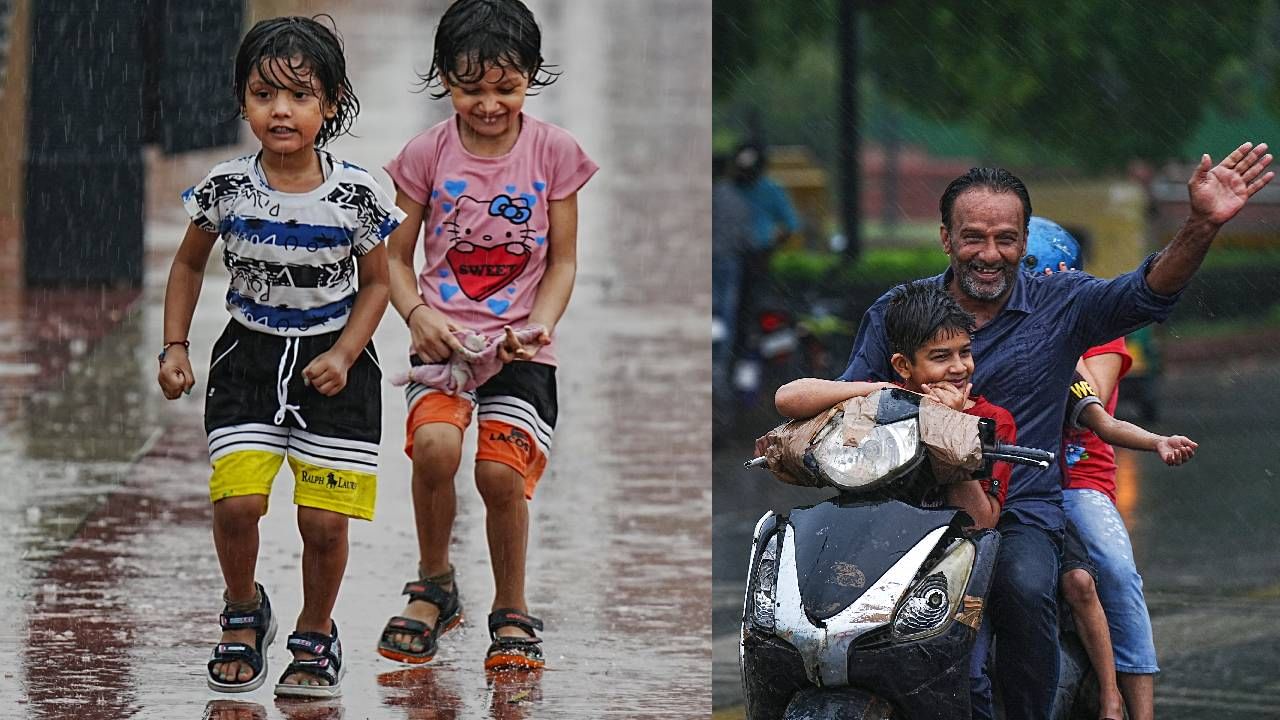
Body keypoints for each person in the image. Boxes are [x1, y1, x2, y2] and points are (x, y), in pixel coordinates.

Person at [835, 147, 1272, 719]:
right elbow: (844, 400)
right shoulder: (901, 309)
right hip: (910, 508)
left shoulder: (1062, 303)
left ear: (1023, 241)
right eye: (973, 238)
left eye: (1005, 239)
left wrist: (1201, 225)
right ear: (945, 238)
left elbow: (1148, 292)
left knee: (1022, 588)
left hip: (1020, 512)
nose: (989, 255)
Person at [157, 16, 403, 697]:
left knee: (323, 522)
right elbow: (186, 266)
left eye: (299, 95)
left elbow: (378, 282)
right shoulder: (227, 187)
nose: (281, 110)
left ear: (330, 104)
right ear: (243, 102)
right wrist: (175, 347)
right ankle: (243, 610)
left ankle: (316, 632)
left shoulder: (357, 193)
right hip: (248, 360)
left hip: (337, 367)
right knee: (237, 503)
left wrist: (348, 351)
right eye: (264, 94)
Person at [376, 0, 598, 672]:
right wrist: (416, 314)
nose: (490, 104)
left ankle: (512, 607)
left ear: (530, 77)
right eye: (472, 89)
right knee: (436, 450)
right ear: (445, 79)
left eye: (506, 88)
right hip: (440, 345)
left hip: (521, 353)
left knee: (501, 473)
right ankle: (434, 584)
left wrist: (539, 325)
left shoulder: (555, 152)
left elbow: (562, 260)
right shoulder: (425, 154)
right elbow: (393, 255)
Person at [1027, 218, 1194, 720]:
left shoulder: (1098, 334)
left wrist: (1052, 330)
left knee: (1116, 573)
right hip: (1008, 479)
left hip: (1078, 480)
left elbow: (1093, 406)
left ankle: (1136, 707)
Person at [775, 280, 1016, 529]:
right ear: (903, 366)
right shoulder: (882, 404)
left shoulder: (991, 421)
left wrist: (951, 428)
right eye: (941, 357)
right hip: (869, 537)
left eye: (964, 352)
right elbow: (786, 399)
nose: (959, 367)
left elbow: (979, 523)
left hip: (945, 554)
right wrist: (875, 389)